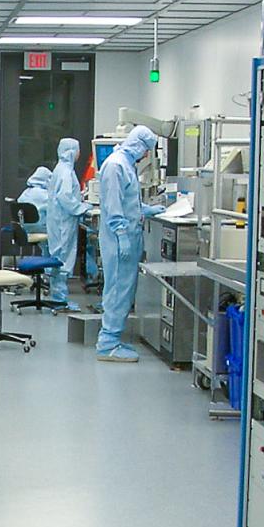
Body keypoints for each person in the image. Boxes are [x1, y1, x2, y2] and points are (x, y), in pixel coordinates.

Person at [96, 125, 164, 363]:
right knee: (117, 290)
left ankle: (112, 336)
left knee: (123, 289)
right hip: (119, 238)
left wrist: (147, 210)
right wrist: (122, 234)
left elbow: (127, 202)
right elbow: (113, 206)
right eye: (146, 150)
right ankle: (107, 344)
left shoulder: (126, 165)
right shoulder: (115, 166)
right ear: (138, 145)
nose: (146, 156)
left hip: (127, 234)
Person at [45, 137, 92, 311]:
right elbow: (65, 197)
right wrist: (81, 208)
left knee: (59, 256)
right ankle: (60, 300)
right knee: (62, 258)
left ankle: (59, 297)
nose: (79, 154)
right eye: (78, 150)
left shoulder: (61, 169)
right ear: (72, 151)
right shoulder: (65, 172)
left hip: (58, 220)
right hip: (63, 222)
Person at [16, 166, 52, 255]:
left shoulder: (25, 193)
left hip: (25, 229)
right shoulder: (45, 195)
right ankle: (51, 264)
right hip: (41, 229)